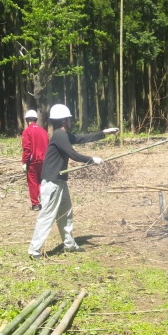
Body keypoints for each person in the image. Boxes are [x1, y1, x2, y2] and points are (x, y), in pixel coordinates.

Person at [27, 104, 119, 259]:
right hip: (52, 182)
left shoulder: (63, 134)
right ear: (64, 120)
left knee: (66, 213)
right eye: (69, 119)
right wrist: (91, 160)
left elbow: (81, 138)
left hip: (60, 181)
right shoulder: (59, 135)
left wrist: (103, 133)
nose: (71, 121)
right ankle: (34, 250)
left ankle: (69, 245)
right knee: (47, 215)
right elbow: (73, 154)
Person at [21, 109, 49, 210]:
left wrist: (24, 161)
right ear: (36, 119)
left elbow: (27, 149)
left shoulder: (27, 131)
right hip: (44, 160)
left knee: (32, 181)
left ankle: (35, 204)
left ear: (27, 120)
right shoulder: (44, 131)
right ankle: (44, 199)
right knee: (42, 180)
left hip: (33, 161)